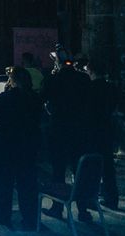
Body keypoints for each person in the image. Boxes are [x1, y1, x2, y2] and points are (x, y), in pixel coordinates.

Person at [0, 66, 41, 230]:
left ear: (13, 80)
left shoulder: (7, 96)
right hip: (29, 145)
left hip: (7, 144)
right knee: (28, 183)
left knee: (5, 182)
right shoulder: (35, 97)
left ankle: (2, 215)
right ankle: (30, 219)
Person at [41, 47, 91, 219]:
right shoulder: (84, 79)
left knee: (58, 170)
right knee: (79, 169)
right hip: (80, 130)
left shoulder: (53, 79)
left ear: (58, 63)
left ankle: (57, 207)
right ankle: (83, 209)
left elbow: (43, 101)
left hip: (59, 129)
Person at [83, 58, 119, 211]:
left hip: (92, 129)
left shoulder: (89, 88)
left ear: (90, 71)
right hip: (107, 128)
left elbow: (86, 110)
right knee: (108, 164)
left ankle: (91, 197)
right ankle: (112, 197)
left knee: (91, 164)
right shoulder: (111, 87)